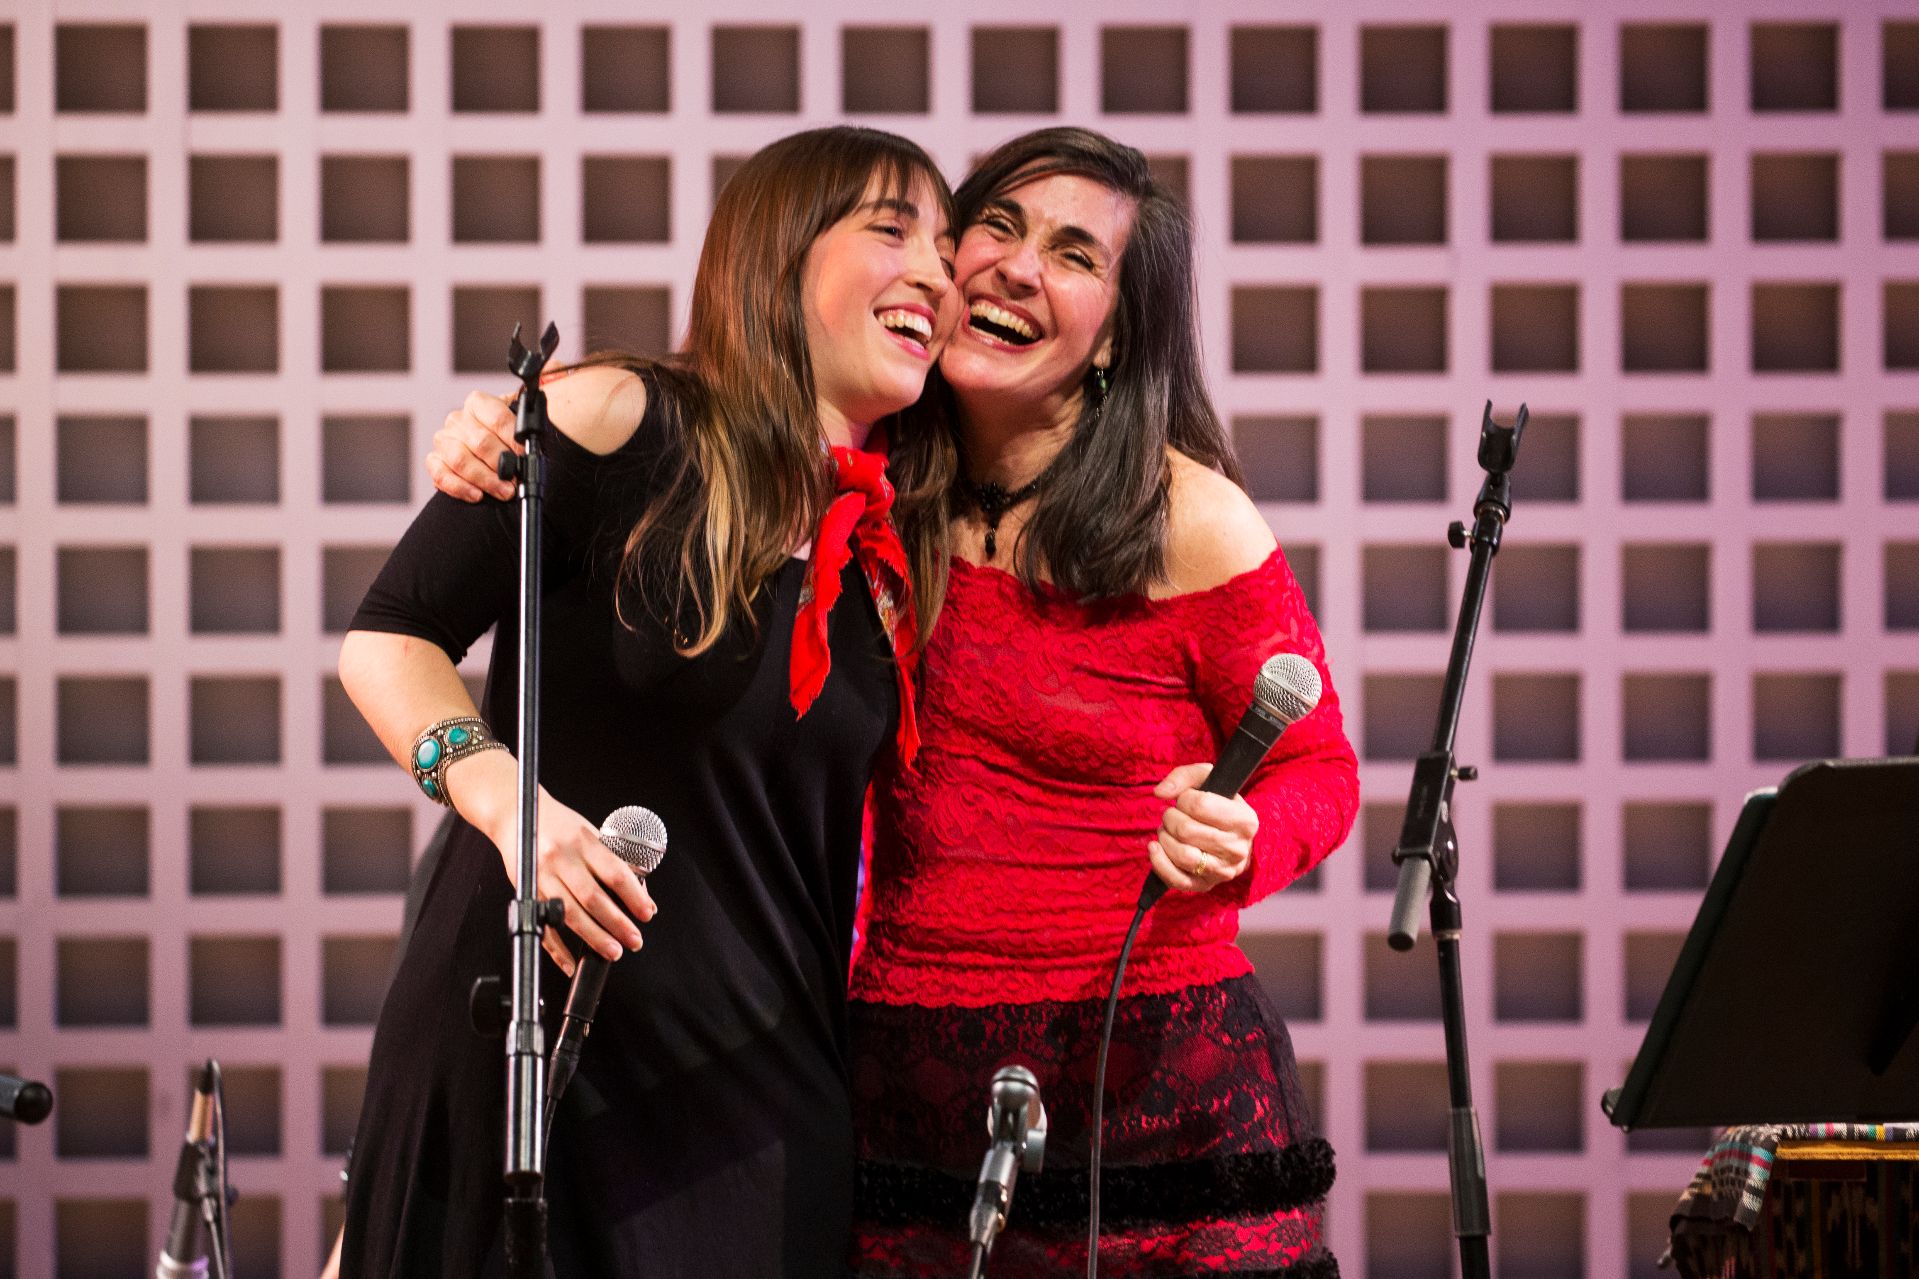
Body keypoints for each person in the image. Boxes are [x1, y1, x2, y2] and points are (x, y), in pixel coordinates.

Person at [428, 128, 1358, 1277]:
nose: (1014, 267)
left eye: (1073, 254)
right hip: (906, 1086)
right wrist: (506, 430)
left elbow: (1318, 766)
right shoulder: (872, 476)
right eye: (996, 230)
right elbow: (706, 417)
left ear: (1118, 332)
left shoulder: (1186, 515)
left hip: (1151, 1077)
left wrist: (1249, 837)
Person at [334, 125, 959, 1278]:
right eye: (892, 228)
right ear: (776, 251)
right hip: (534, 1035)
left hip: (756, 1083)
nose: (937, 268)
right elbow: (388, 637)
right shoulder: (615, 415)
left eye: (947, 242)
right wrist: (503, 799)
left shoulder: (903, 532)